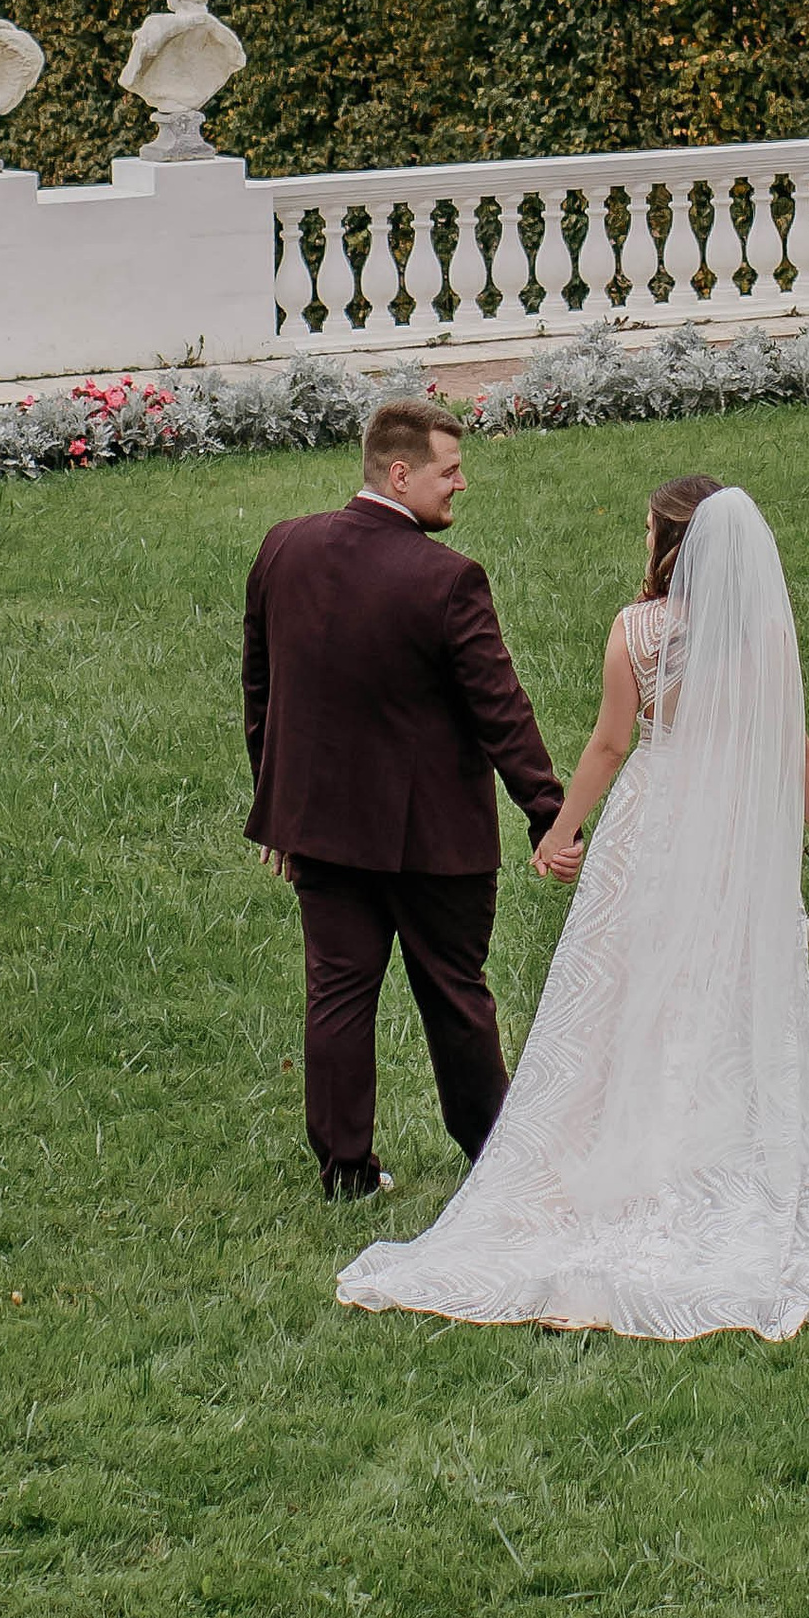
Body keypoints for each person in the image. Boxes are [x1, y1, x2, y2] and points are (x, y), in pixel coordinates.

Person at [337, 477, 809, 1342]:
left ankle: (621, 1159)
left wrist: (562, 831)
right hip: (733, 831)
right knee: (723, 991)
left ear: (665, 545)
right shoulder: (762, 630)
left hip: (652, 828)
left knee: (630, 993)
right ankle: (720, 1159)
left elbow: (613, 741)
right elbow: (792, 742)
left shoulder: (637, 630)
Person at [243, 395, 563, 1202]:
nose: (462, 486)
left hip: (322, 832)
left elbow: (262, 693)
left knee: (339, 996)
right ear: (400, 472)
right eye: (449, 471)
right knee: (457, 997)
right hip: (432, 844)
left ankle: (345, 1170)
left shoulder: (285, 548)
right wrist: (551, 814)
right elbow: (501, 710)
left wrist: (282, 810)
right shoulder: (448, 579)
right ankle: (494, 1159)